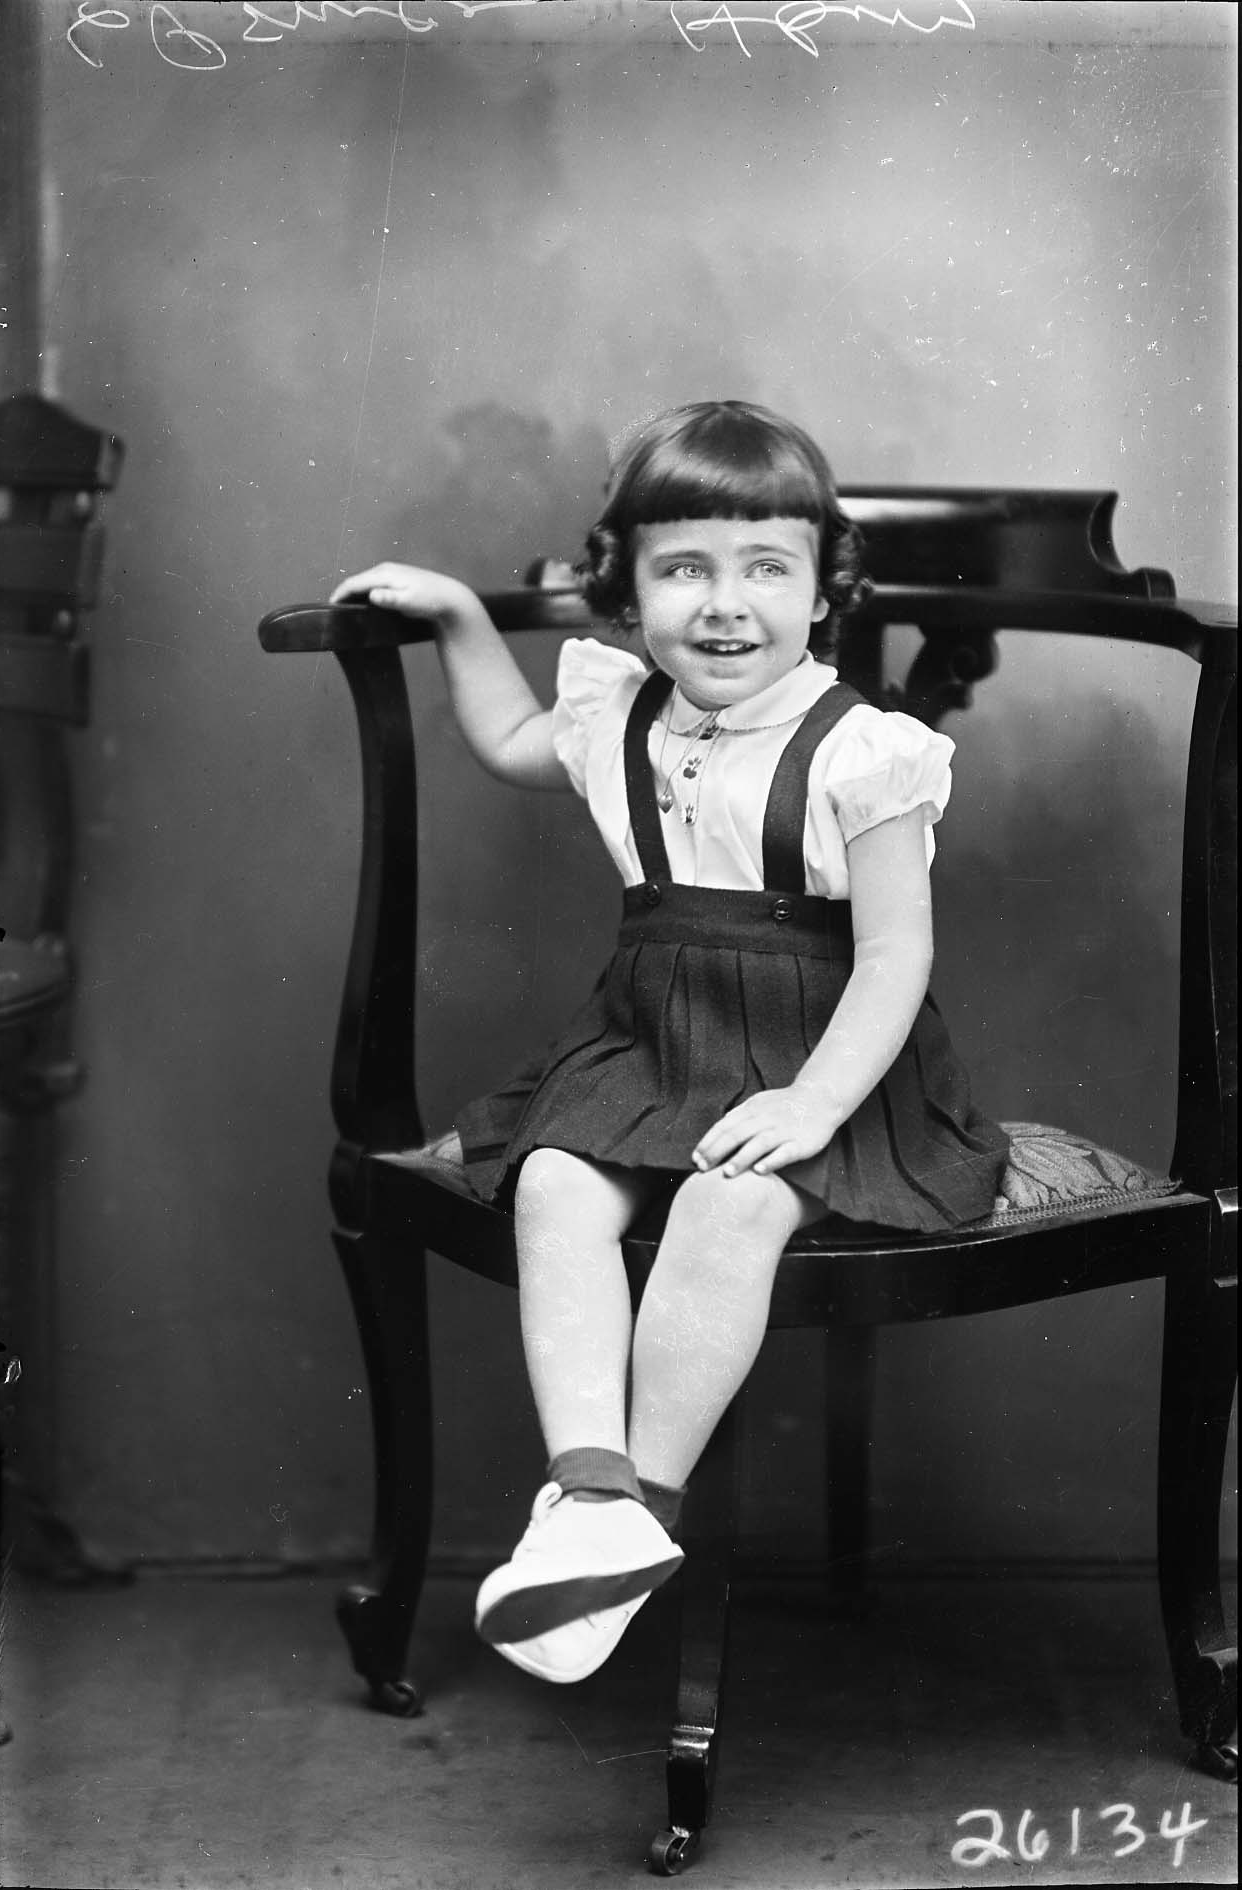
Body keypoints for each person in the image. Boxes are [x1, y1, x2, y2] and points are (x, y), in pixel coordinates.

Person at [329, 400, 1009, 1686]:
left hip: (825, 1062)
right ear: (628, 592)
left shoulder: (865, 754)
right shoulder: (622, 714)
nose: (725, 604)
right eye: (684, 569)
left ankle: (640, 1504)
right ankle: (591, 1496)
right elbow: (509, 741)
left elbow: (894, 958)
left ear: (822, 594)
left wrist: (812, 1105)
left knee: (728, 1206)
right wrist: (463, 619)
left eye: (767, 569)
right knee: (552, 1180)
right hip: (652, 1044)